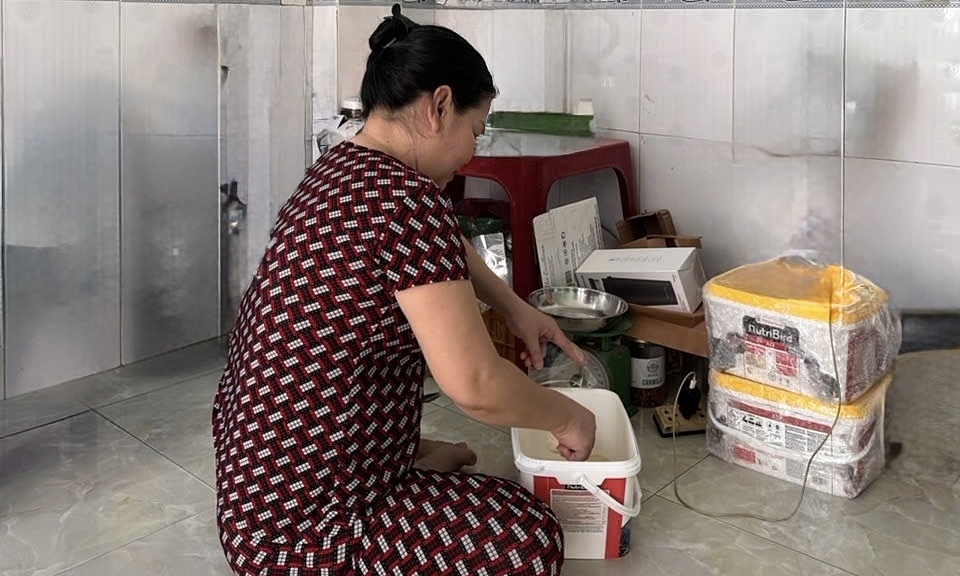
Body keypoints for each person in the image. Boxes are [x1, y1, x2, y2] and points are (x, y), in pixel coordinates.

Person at [212, 5, 597, 575]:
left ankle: (395, 463)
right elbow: (475, 386)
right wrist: (567, 418)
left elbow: (440, 248)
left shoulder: (341, 167)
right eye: (475, 130)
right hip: (302, 533)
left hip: (254, 490)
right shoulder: (410, 203)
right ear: (439, 106)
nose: (472, 152)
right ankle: (382, 490)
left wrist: (514, 307)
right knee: (530, 536)